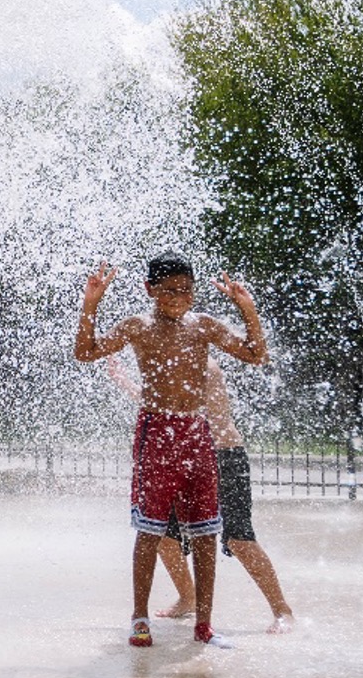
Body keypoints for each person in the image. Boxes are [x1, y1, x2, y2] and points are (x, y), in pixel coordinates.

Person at [75, 252, 267, 648]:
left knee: (206, 533)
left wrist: (247, 309)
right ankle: (139, 617)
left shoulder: (204, 327)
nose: (178, 297)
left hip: (198, 433)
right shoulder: (138, 327)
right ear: (150, 290)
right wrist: (91, 303)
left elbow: (254, 354)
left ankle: (205, 625)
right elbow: (86, 352)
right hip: (157, 432)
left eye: (186, 290)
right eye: (169, 290)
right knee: (150, 530)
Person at [106, 351, 294, 632]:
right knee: (161, 536)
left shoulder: (204, 363)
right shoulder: (165, 359)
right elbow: (157, 406)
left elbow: (198, 416)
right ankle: (188, 597)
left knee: (238, 539)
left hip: (221, 456)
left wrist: (130, 385)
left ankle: (282, 610)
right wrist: (127, 383)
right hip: (179, 457)